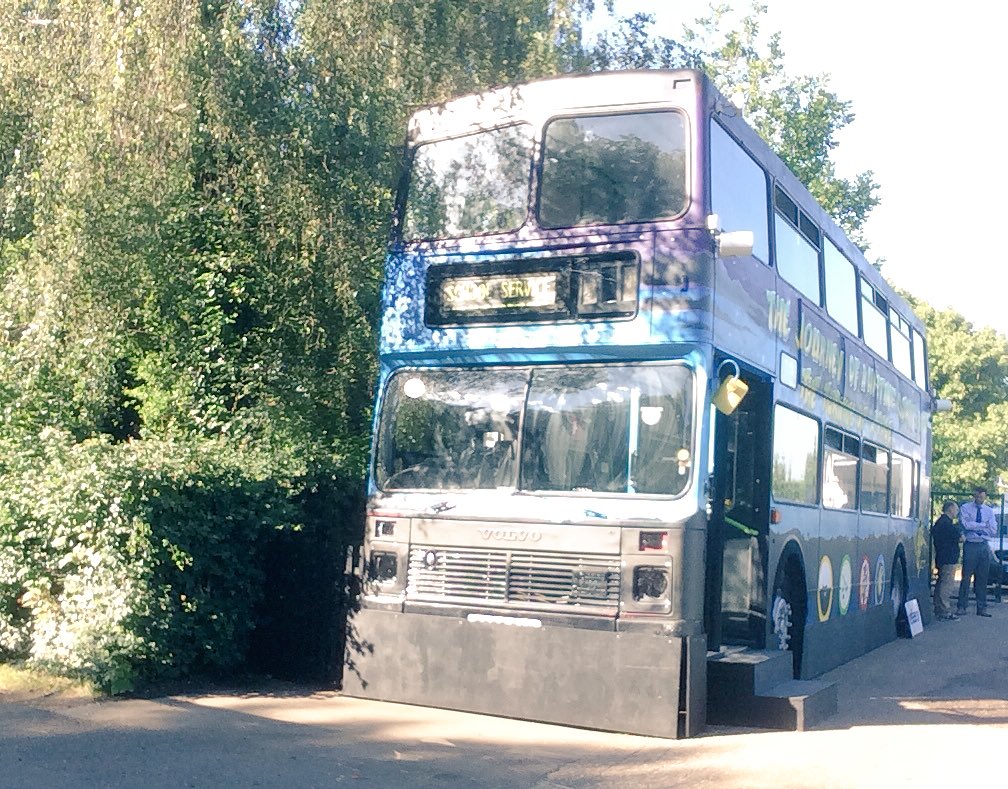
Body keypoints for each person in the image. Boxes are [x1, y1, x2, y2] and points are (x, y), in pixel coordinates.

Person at [957, 486, 998, 617]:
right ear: (974, 496)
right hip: (971, 545)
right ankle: (962, 606)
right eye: (977, 496)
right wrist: (983, 526)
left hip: (983, 545)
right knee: (966, 577)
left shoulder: (989, 511)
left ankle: (982, 608)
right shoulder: (965, 508)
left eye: (982, 496)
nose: (979, 499)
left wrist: (976, 526)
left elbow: (993, 530)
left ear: (985, 497)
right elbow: (966, 525)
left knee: (982, 578)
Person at [932, 500, 960, 620]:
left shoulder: (939, 522)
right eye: (956, 509)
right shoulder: (947, 524)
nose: (957, 511)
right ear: (950, 509)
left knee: (941, 582)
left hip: (942, 557)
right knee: (946, 584)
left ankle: (939, 607)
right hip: (948, 558)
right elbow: (960, 537)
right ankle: (944, 610)